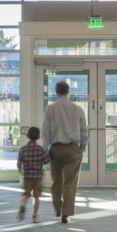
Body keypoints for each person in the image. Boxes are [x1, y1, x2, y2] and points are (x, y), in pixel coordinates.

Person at [40, 79, 87, 224]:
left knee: (56, 181)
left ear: (56, 92)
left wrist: (46, 148)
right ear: (68, 92)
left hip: (55, 149)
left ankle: (58, 208)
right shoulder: (77, 109)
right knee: (70, 182)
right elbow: (84, 131)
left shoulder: (50, 109)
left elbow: (45, 130)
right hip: (73, 149)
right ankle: (66, 213)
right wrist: (82, 147)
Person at [16, 126, 48, 222]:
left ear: (27, 136)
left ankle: (23, 205)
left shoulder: (23, 149)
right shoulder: (41, 149)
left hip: (27, 177)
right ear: (39, 137)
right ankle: (35, 216)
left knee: (27, 195)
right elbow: (46, 161)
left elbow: (18, 164)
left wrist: (21, 170)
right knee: (36, 197)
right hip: (38, 177)